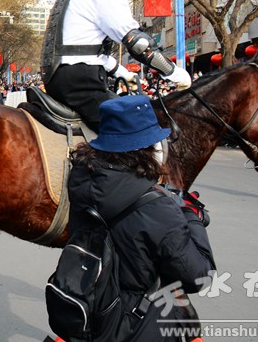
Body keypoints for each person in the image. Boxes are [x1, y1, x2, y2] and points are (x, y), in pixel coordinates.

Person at [67, 95, 215, 341]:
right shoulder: (158, 208)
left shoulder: (81, 182)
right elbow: (199, 277)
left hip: (90, 305)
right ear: (149, 149)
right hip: (137, 321)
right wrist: (192, 216)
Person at [41, 0, 191, 131]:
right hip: (80, 82)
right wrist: (173, 72)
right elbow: (138, 44)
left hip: (66, 77)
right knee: (140, 127)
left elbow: (85, 49)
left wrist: (123, 72)